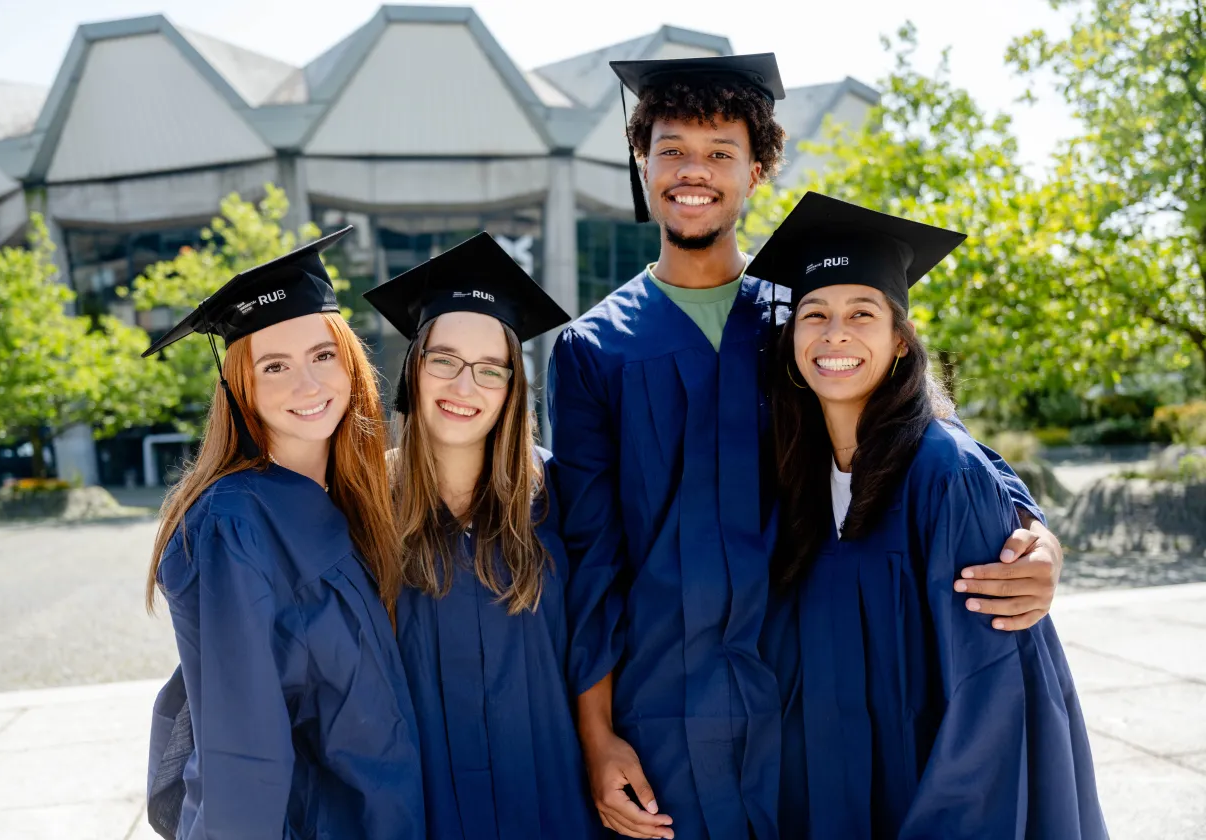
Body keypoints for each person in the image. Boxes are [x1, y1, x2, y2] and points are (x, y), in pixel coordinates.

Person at [547, 54, 1065, 840]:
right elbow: (589, 556)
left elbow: (918, 424)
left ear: (755, 172)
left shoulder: (803, 318)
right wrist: (596, 735)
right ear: (640, 161)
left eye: (720, 152)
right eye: (672, 149)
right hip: (664, 710)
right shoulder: (594, 350)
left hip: (806, 695)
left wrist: (1035, 531)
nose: (694, 171)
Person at [754, 192, 1106, 838]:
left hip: (941, 806)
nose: (835, 333)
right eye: (814, 314)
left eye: (862, 313)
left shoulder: (945, 476)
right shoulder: (795, 472)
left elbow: (990, 704)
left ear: (899, 340)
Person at [142, 228, 424, 839]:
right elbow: (242, 750)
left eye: (323, 355)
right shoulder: (233, 523)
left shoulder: (354, 499)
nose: (308, 385)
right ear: (239, 387)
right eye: (275, 366)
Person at [364, 232, 601, 840]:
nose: (463, 387)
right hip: (420, 810)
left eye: (490, 369)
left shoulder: (562, 496)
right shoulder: (363, 506)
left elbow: (602, 638)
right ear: (414, 369)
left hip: (552, 802)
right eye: (443, 360)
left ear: (513, 387)